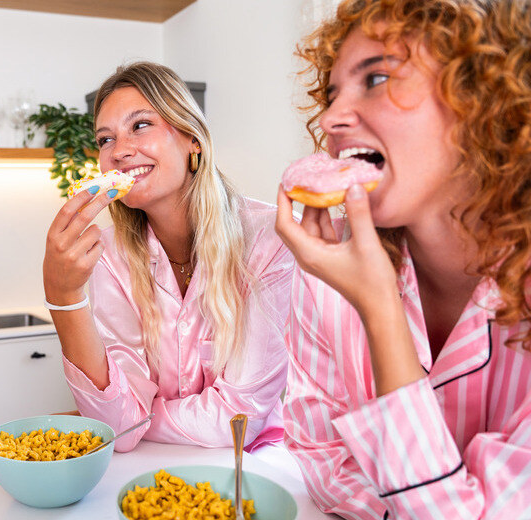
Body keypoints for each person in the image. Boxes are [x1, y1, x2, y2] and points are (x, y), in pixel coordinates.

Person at [275, 0, 531, 517]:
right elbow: (320, 457)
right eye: (331, 93)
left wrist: (380, 312)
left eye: (375, 79)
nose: (331, 118)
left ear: (486, 97)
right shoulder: (327, 269)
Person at [43, 62, 293, 452]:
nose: (119, 151)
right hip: (146, 476)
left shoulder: (269, 240)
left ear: (193, 138)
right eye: (105, 139)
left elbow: (239, 418)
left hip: (250, 472)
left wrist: (142, 419)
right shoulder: (109, 255)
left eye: (140, 125)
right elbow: (119, 429)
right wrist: (63, 297)